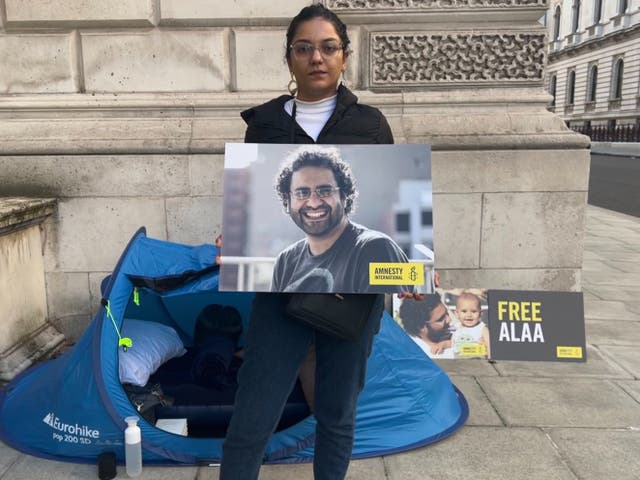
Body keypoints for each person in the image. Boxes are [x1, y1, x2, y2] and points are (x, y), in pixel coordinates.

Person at [220, 5, 393, 480]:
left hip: (354, 294)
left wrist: (413, 262)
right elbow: (249, 202)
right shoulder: (266, 122)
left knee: (337, 417)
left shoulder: (372, 125)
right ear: (290, 57)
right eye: (304, 47)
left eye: (328, 46)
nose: (316, 57)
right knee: (252, 416)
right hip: (281, 288)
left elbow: (389, 212)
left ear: (344, 55)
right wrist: (233, 235)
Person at [272, 145, 411, 293]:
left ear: (344, 196)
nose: (314, 202)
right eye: (302, 193)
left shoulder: (380, 249)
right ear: (288, 201)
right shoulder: (285, 261)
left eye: (325, 191)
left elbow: (390, 315)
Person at [399, 294, 454, 359]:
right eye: (441, 319)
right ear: (420, 327)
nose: (449, 320)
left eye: (446, 313)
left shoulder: (453, 332)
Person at [451, 291, 490, 358]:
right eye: (464, 311)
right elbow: (447, 340)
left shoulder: (482, 328)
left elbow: (489, 345)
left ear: (481, 313)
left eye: (474, 311)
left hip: (477, 359)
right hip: (458, 360)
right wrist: (441, 344)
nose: (469, 315)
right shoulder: (455, 327)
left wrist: (490, 358)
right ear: (457, 313)